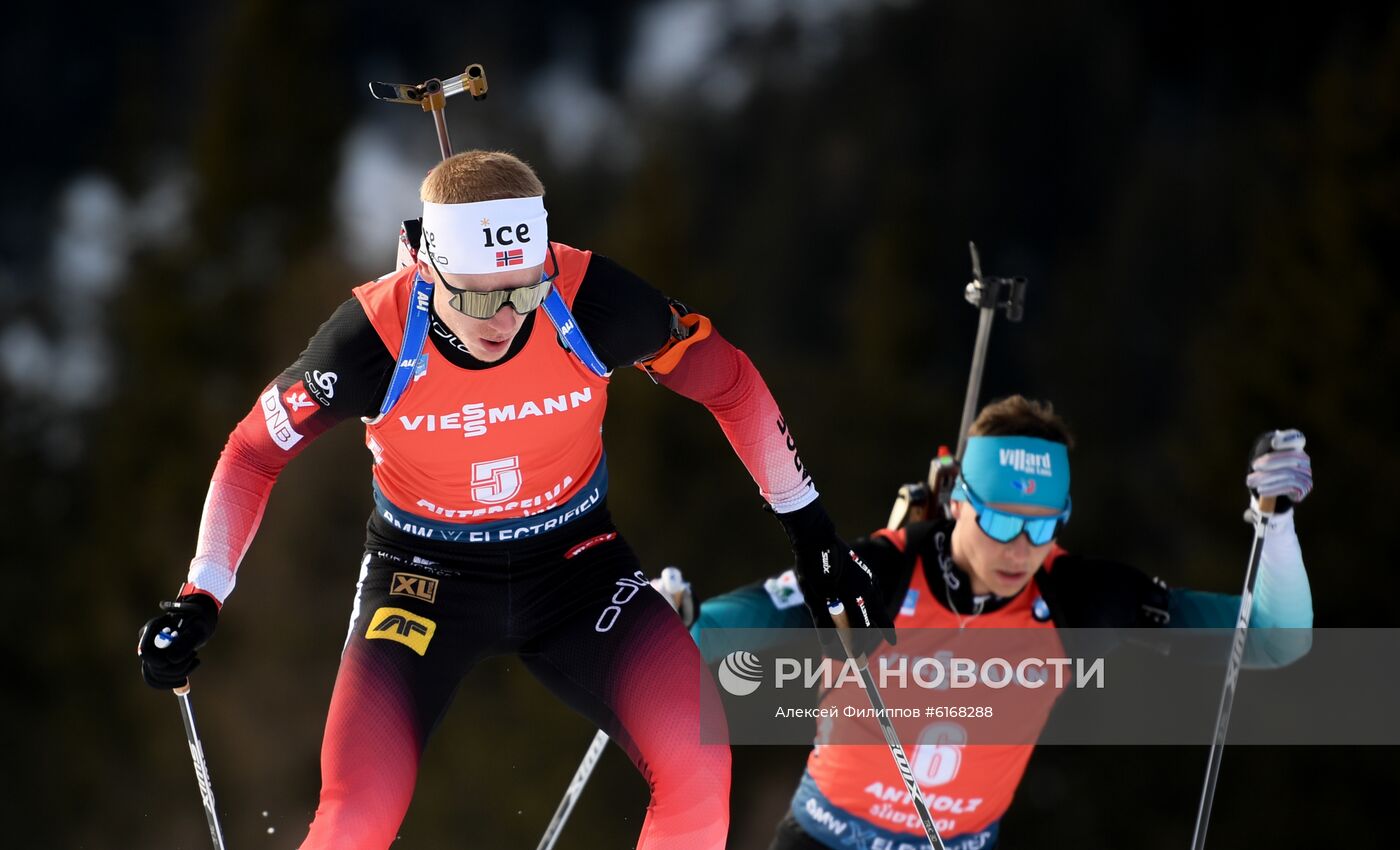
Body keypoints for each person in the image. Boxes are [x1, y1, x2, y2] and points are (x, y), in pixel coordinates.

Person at [135, 150, 896, 849]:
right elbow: (252, 452)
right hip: (423, 580)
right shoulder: (371, 339)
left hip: (577, 567)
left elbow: (730, 383)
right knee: (356, 816)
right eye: (481, 297)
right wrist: (203, 593)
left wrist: (811, 532)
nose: (506, 319)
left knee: (700, 760)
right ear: (429, 269)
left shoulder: (590, 300)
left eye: (525, 289)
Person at [690, 395, 1315, 850]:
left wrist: (1278, 521)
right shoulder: (883, 569)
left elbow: (1272, 640)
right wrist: (668, 626)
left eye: (1041, 527)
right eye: (1000, 520)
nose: (1019, 548)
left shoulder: (1076, 599)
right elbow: (736, 621)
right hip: (827, 838)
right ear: (959, 501)